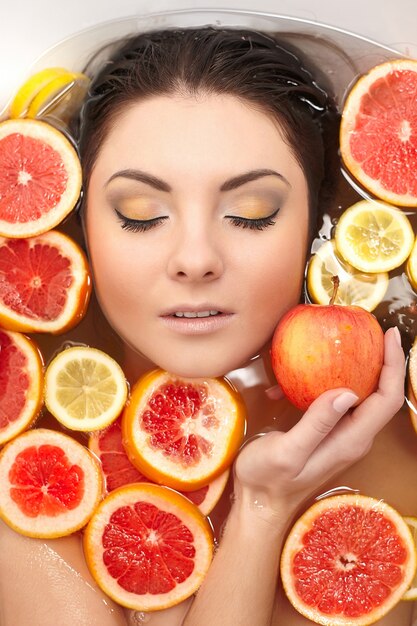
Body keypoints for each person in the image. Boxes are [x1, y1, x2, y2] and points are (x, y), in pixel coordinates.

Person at [0, 26, 411, 626]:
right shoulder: (27, 490)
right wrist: (265, 510)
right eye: (141, 215)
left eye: (252, 213)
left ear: (316, 225)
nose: (195, 257)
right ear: (82, 222)